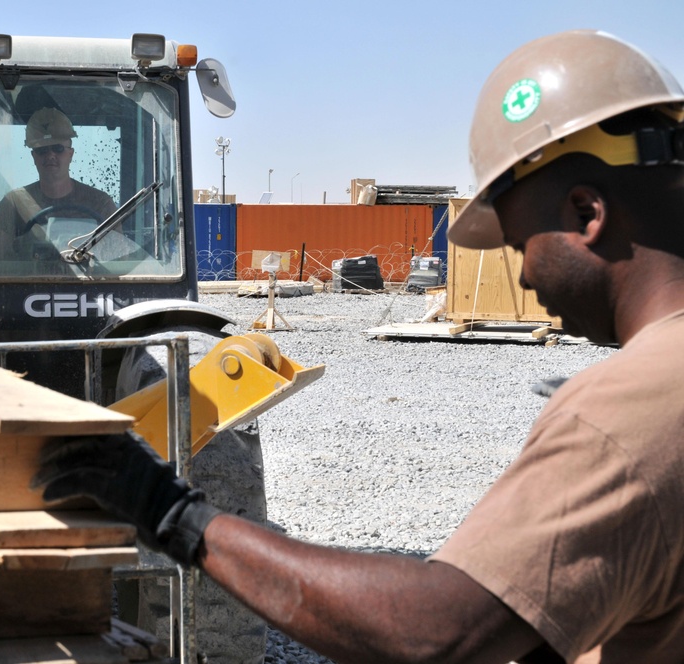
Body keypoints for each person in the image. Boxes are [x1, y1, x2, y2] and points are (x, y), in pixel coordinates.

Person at [33, 30, 684, 663]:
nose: (520, 276)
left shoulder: (628, 408)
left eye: (520, 246)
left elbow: (441, 631)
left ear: (585, 214)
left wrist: (172, 512)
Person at [0, 107, 116, 261]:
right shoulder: (14, 203)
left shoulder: (100, 203)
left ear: (71, 153)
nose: (50, 155)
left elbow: (119, 265)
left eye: (58, 148)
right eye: (42, 150)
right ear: (33, 156)